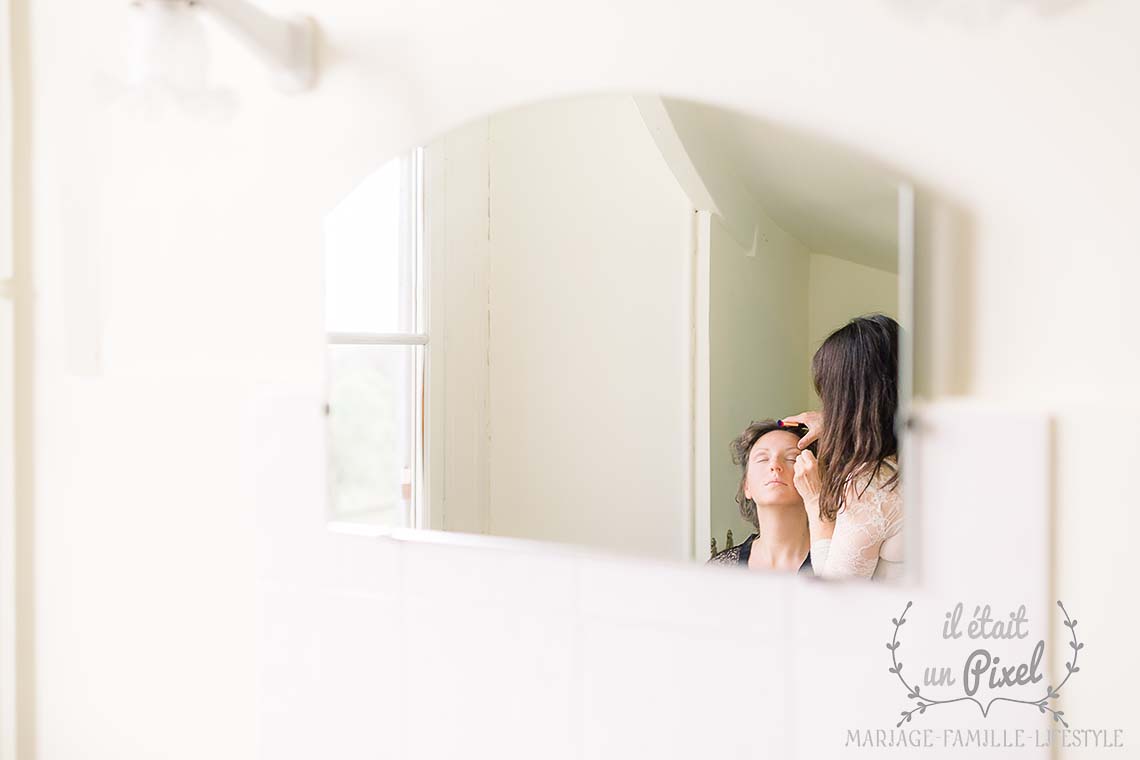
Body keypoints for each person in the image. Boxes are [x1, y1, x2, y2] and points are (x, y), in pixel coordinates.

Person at [784, 313, 903, 581]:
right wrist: (838, 422)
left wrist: (815, 500)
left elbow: (835, 597)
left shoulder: (871, 485)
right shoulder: (928, 455)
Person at [707, 420, 815, 574]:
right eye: (763, 459)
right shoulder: (720, 570)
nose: (775, 465)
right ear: (747, 486)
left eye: (792, 458)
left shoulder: (837, 564)